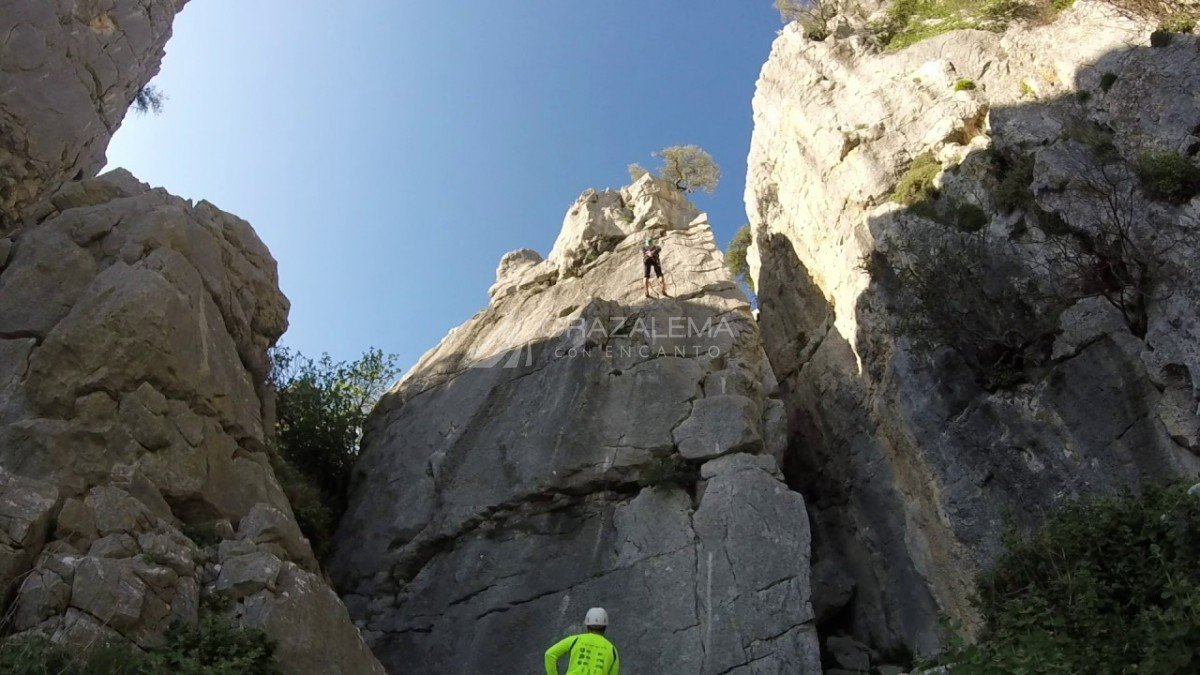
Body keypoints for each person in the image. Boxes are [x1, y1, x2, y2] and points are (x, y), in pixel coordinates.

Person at [544, 607, 620, 675]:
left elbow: (549, 654)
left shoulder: (576, 640)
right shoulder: (612, 650)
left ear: (587, 625)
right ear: (605, 626)